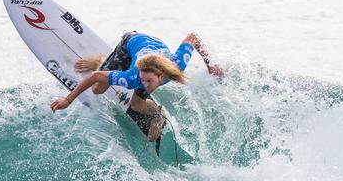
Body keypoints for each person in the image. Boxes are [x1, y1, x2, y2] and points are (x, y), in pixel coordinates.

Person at [50, 31, 223, 141]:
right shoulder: (133, 77)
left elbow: (192, 37)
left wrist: (210, 65)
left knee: (136, 104)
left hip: (154, 43)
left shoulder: (176, 65)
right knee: (98, 88)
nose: (145, 86)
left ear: (161, 76)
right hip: (130, 42)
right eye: (143, 80)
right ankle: (100, 60)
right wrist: (68, 99)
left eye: (149, 81)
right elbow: (95, 76)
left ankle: (158, 114)